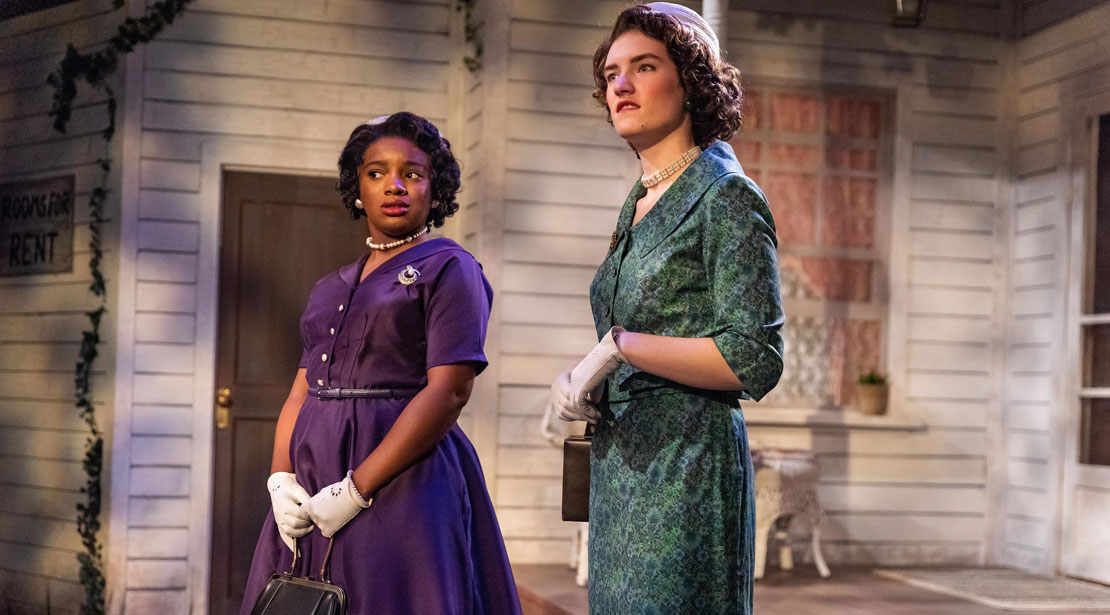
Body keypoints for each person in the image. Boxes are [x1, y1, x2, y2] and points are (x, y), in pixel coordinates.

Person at [548, 4, 784, 613]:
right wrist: (586, 380)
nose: (619, 84)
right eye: (611, 72)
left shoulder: (725, 195)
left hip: (687, 466)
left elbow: (753, 356)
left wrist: (621, 348)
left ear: (691, 83)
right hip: (621, 464)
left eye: (643, 67)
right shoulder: (639, 203)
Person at [242, 112, 522, 615]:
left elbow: (449, 391)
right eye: (376, 173)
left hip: (400, 482)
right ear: (357, 189)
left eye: (412, 174)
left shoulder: (450, 268)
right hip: (311, 480)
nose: (394, 184)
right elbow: (301, 392)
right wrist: (280, 479)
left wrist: (356, 489)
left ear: (434, 192)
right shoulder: (329, 286)